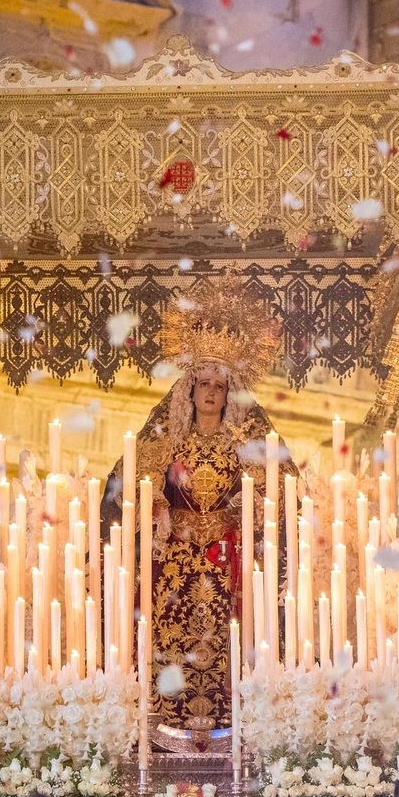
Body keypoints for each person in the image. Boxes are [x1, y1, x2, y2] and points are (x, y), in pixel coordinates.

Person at [105, 282, 297, 746]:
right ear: (188, 390)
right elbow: (125, 486)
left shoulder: (246, 447)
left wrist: (241, 513)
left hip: (224, 564)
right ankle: (163, 722)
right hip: (171, 569)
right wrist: (156, 508)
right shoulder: (165, 442)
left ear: (229, 393)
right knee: (168, 643)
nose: (210, 392)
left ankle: (229, 722)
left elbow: (280, 494)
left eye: (219, 385)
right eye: (203, 384)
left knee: (228, 640)